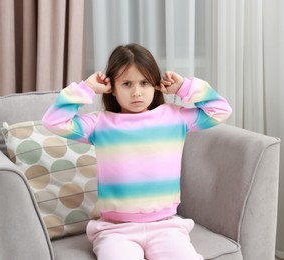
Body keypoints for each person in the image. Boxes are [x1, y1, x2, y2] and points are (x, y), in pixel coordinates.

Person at [42, 43, 232, 260]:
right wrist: (86, 88)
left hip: (165, 227)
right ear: (112, 88)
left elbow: (221, 110)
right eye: (126, 84)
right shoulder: (100, 124)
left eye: (144, 83)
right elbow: (53, 121)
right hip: (116, 231)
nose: (137, 92)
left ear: (156, 85)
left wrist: (184, 88)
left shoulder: (174, 117)